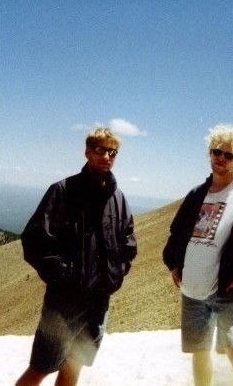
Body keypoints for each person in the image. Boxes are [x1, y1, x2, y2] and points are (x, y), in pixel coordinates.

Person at [17, 127, 137, 386]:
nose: (107, 156)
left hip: (98, 302)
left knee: (75, 364)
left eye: (112, 152)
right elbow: (35, 241)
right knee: (41, 367)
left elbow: (128, 243)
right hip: (64, 302)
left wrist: (115, 274)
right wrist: (67, 277)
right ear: (87, 151)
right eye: (100, 149)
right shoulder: (62, 191)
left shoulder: (118, 199)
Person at [163, 124, 233, 386]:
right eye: (217, 152)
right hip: (193, 287)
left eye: (228, 155)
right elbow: (177, 231)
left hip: (227, 291)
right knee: (199, 352)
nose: (220, 158)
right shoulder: (196, 194)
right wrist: (173, 263)